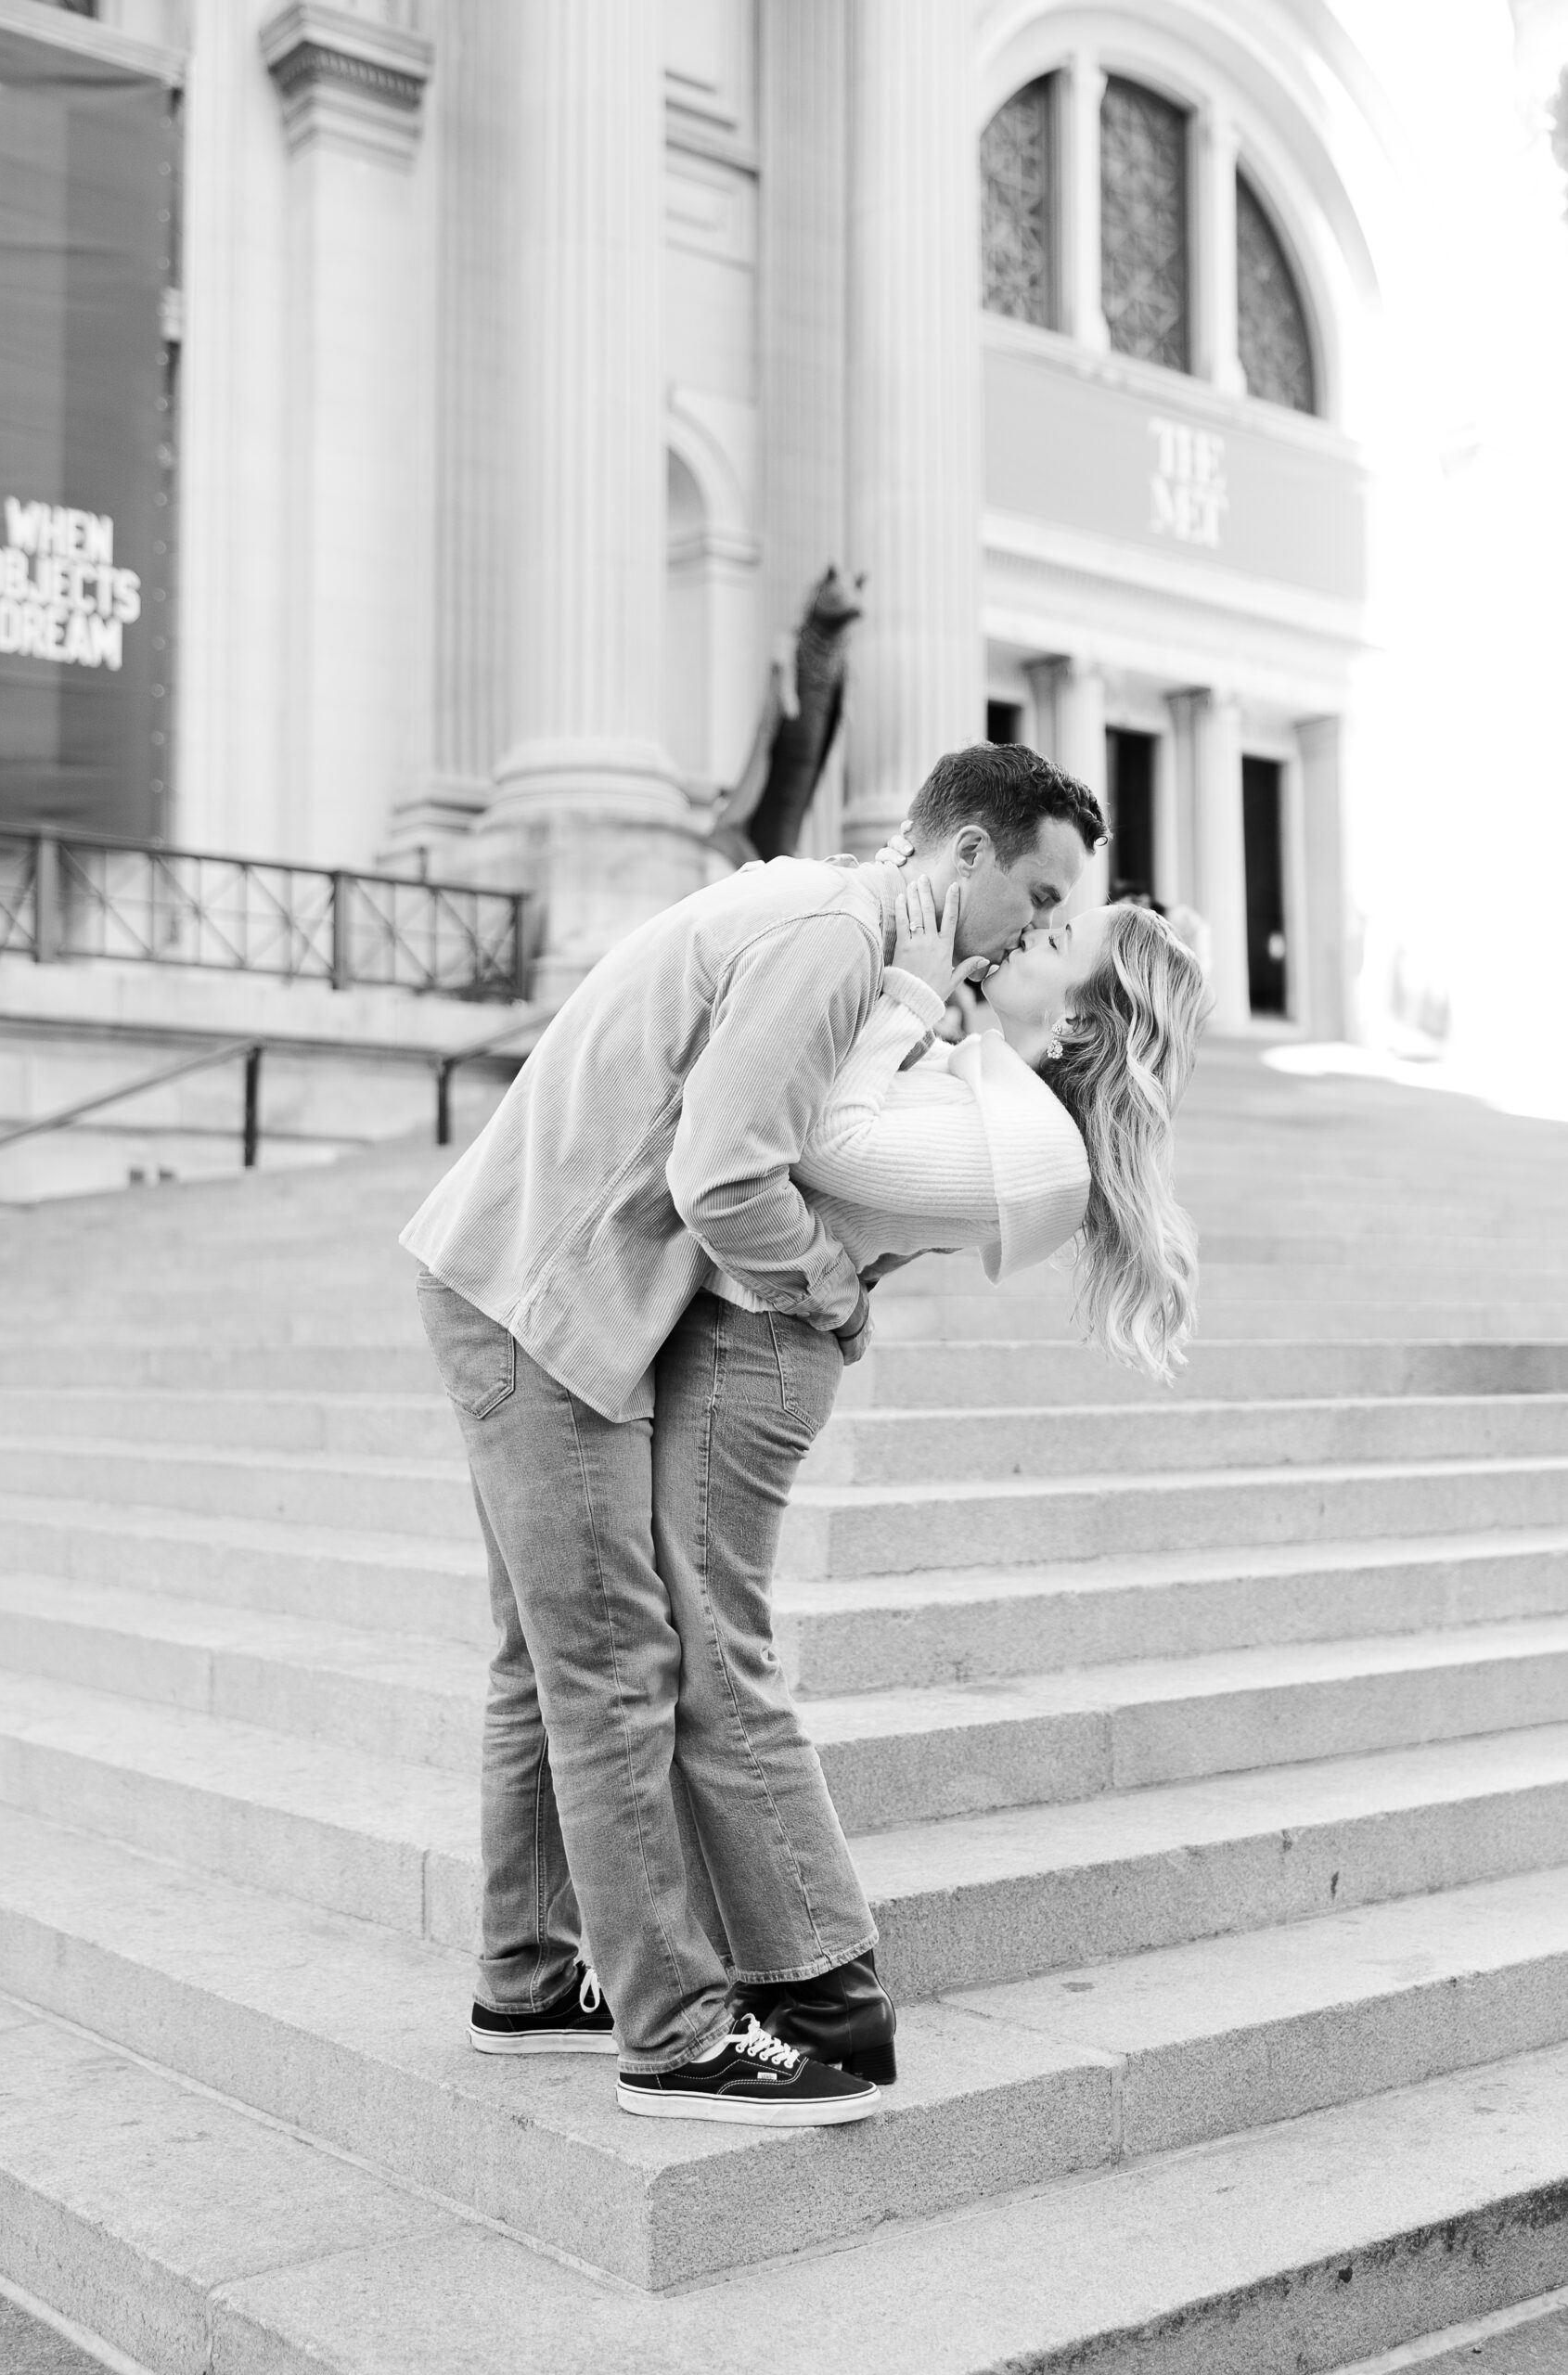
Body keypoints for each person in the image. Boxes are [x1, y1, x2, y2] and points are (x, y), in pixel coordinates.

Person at [400, 742, 1105, 2125]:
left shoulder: (822, 912)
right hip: (549, 1305)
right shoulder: (832, 934)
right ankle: (674, 2034)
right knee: (613, 1663)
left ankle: (527, 1977)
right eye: (1034, 895)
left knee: (541, 1657)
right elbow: (723, 1176)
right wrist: (833, 1289)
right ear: (965, 849)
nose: (1030, 932)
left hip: (514, 1281)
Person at [790, 884, 1205, 1391]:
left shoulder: (1041, 1153)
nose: (1034, 933)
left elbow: (819, 1139)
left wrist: (912, 991)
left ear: (1076, 1017)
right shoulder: (995, 1081)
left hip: (754, 1350)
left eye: (1058, 942)